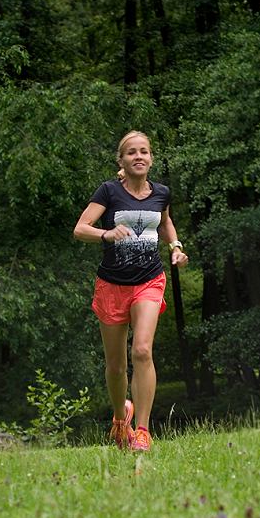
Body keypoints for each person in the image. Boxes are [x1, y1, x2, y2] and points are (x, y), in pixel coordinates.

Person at [72, 131, 189, 451]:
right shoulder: (109, 191)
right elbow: (80, 229)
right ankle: (120, 418)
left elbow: (165, 222)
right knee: (116, 366)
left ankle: (142, 431)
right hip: (111, 285)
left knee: (141, 351)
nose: (139, 156)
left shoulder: (161, 193)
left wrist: (175, 247)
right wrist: (107, 234)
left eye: (145, 152)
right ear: (121, 160)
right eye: (132, 153)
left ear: (151, 158)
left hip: (150, 280)